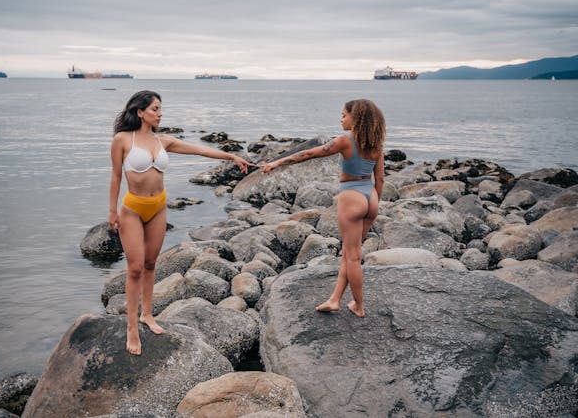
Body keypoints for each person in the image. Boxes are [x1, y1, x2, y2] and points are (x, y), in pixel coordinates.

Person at [109, 90, 252, 355]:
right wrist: (112, 212)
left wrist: (231, 156)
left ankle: (148, 315)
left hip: (158, 207)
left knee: (152, 263)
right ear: (140, 112)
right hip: (132, 209)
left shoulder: (163, 141)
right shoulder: (122, 139)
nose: (159, 113)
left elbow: (200, 150)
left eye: (160, 109)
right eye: (154, 109)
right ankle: (131, 326)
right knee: (135, 269)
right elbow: (116, 177)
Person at [261, 99, 385, 318]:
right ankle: (335, 299)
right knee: (349, 254)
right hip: (371, 197)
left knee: (353, 257)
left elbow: (309, 154)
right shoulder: (376, 144)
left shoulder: (345, 141)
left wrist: (276, 163)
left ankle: (359, 306)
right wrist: (373, 206)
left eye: (344, 115)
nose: (341, 118)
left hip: (352, 196)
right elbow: (381, 179)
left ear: (355, 118)